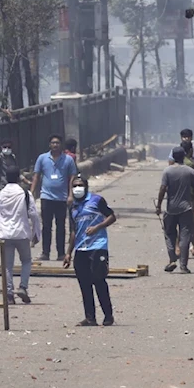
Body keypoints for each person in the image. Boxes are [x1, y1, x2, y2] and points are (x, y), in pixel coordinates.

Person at [64, 176, 117, 325]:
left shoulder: (97, 200)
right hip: (81, 248)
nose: (77, 188)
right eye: (74, 186)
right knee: (85, 284)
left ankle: (108, 315)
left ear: (86, 187)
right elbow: (74, 231)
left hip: (98, 246)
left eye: (80, 185)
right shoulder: (73, 207)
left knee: (99, 280)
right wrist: (68, 253)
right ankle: (90, 317)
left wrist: (98, 227)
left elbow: (112, 217)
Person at [0, 167, 40, 305]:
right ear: (18, 178)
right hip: (21, 233)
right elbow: (34, 215)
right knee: (26, 261)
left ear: (5, 177)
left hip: (4, 234)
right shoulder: (25, 194)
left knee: (7, 265)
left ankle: (9, 294)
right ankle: (23, 287)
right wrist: (36, 234)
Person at [31, 134, 79, 262]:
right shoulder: (42, 158)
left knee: (61, 226)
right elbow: (36, 176)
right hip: (46, 197)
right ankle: (45, 252)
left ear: (61, 145)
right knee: (46, 226)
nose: (55, 145)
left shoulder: (68, 160)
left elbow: (72, 178)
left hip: (61, 198)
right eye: (53, 143)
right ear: (49, 144)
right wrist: (31, 193)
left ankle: (61, 253)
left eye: (57, 143)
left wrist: (70, 195)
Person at [157, 147, 194, 274]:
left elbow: (162, 188)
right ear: (184, 156)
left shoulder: (167, 171)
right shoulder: (189, 171)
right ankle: (183, 266)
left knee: (169, 234)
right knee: (185, 236)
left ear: (173, 157)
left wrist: (159, 205)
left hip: (171, 209)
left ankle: (172, 259)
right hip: (186, 208)